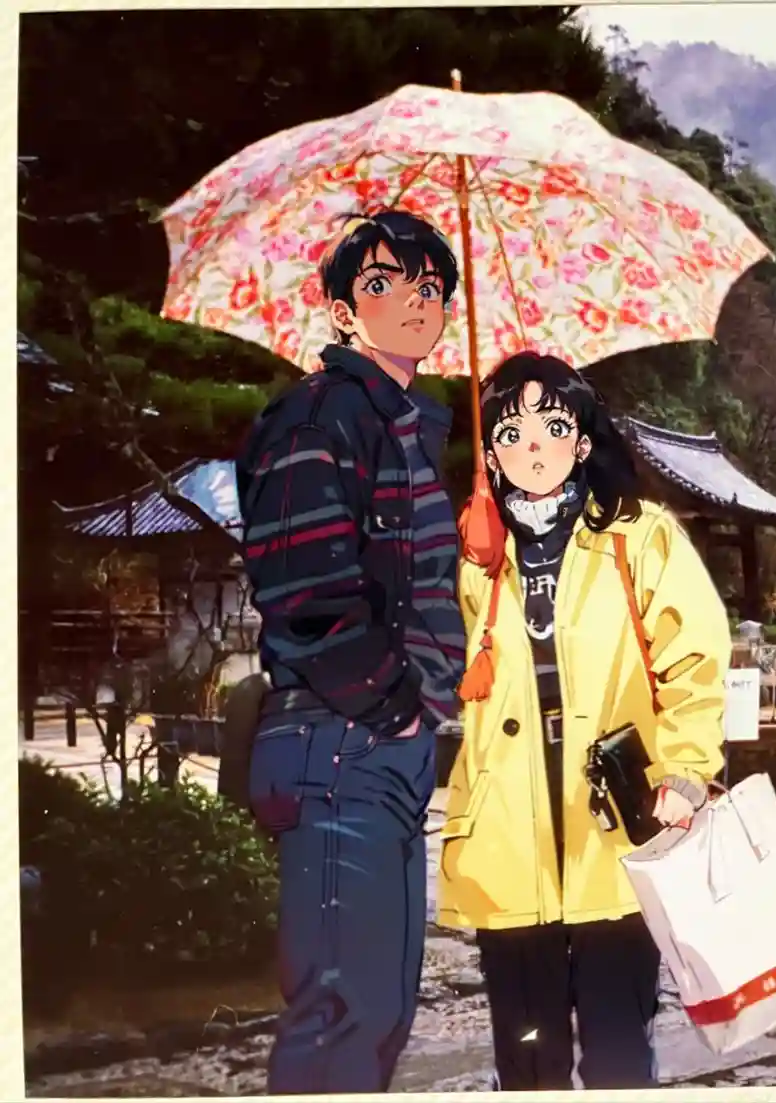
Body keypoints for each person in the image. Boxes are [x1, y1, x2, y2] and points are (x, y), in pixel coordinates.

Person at [435, 351, 730, 1091]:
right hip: (509, 836)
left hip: (617, 828)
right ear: (489, 455)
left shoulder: (639, 537)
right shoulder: (474, 558)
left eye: (553, 425)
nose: (532, 445)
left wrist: (686, 770)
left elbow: (693, 660)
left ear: (584, 441)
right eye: (510, 432)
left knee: (618, 1050)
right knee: (526, 1058)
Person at [237, 209, 467, 1094]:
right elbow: (306, 585)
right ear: (340, 311)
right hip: (340, 739)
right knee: (343, 1012)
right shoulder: (317, 416)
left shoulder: (402, 425)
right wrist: (393, 703)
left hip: (380, 745)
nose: (414, 300)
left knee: (379, 1010)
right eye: (381, 284)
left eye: (429, 286)